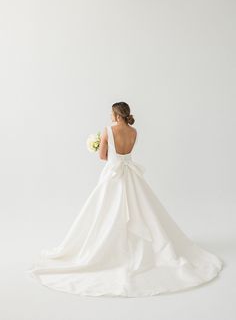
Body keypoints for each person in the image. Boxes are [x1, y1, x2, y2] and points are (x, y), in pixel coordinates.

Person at [27, 101, 223, 297]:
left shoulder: (107, 130)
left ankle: (108, 251)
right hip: (131, 177)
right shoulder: (134, 132)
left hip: (112, 176)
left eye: (111, 114)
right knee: (142, 212)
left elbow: (103, 157)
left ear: (116, 114)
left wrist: (97, 145)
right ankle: (140, 249)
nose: (110, 117)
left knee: (105, 212)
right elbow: (127, 153)